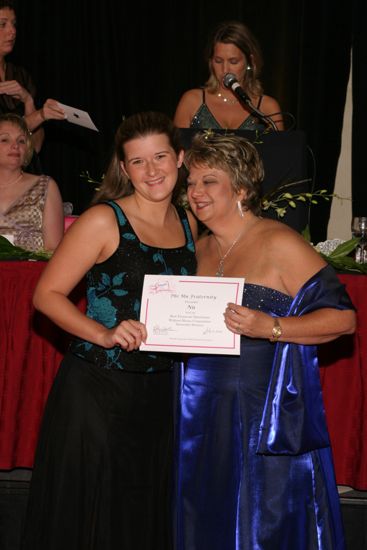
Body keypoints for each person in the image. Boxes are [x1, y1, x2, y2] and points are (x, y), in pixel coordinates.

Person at [21, 111, 197, 550]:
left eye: (160, 157)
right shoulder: (104, 219)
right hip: (99, 388)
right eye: (138, 162)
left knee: (141, 512)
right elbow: (47, 295)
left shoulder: (189, 223)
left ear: (180, 158)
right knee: (93, 516)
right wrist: (101, 333)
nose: (152, 170)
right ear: (123, 168)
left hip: (160, 392)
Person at [174, 132, 355, 549]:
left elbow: (344, 319)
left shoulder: (278, 242)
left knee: (262, 521)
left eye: (209, 181)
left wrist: (272, 327)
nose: (195, 192)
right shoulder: (199, 248)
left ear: (240, 188)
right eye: (191, 183)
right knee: (206, 515)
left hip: (261, 410)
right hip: (199, 412)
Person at [174, 20, 283, 131]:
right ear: (210, 62)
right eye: (218, 61)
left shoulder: (268, 107)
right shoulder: (192, 101)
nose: (225, 69)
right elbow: (176, 146)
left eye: (233, 62)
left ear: (250, 62)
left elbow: (280, 147)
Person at [0, 1, 65, 157]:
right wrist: (41, 115)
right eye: (2, 24)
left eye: (14, 24)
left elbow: (36, 146)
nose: (12, 31)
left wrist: (28, 100)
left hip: (23, 172)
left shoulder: (21, 75)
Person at [0, 112, 63, 251]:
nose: (15, 146)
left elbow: (53, 249)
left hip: (33, 271)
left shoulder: (44, 186)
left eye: (21, 141)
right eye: (5, 140)